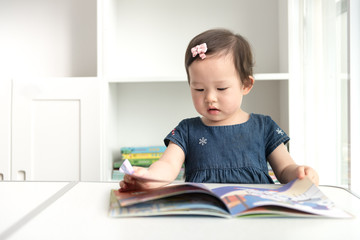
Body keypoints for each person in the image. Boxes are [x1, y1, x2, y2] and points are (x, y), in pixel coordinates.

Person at [120, 28, 319, 191]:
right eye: (199, 89)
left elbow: (285, 169)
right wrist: (149, 176)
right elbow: (168, 165)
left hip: (255, 216)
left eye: (222, 88)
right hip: (203, 214)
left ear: (245, 85)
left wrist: (301, 173)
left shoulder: (263, 127)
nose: (210, 98)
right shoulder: (187, 130)